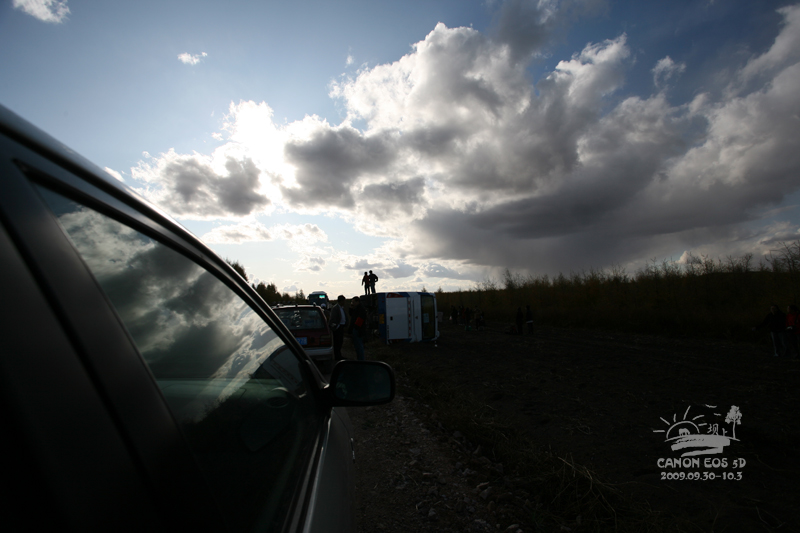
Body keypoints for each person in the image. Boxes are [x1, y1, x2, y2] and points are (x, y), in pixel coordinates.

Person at [348, 296, 368, 361]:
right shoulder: (357, 308)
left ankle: (361, 360)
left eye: (353, 302)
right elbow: (351, 314)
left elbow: (360, 319)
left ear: (357, 302)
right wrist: (351, 308)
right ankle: (359, 359)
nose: (352, 303)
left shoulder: (360, 309)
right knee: (357, 345)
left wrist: (356, 327)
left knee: (359, 345)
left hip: (358, 329)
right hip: (357, 329)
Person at [330, 295, 348, 361]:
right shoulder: (335, 308)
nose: (344, 302)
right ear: (341, 301)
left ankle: (339, 355)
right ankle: (337, 356)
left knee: (340, 341)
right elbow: (333, 318)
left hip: (341, 326)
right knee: (337, 342)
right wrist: (336, 326)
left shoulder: (341, 308)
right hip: (338, 327)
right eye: (343, 301)